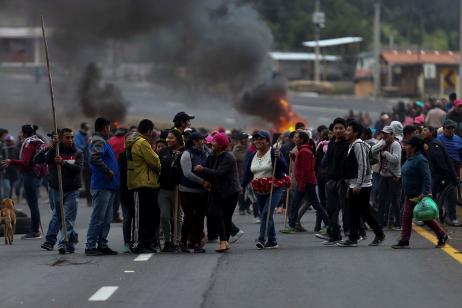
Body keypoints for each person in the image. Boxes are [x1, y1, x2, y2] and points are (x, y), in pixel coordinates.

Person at [392, 136, 448, 249]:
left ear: (414, 148)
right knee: (420, 216)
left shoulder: (421, 159)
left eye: (408, 145)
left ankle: (404, 240)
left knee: (413, 216)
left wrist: (424, 193)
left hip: (418, 194)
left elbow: (427, 178)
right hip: (410, 194)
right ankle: (441, 235)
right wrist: (399, 177)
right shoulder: (410, 158)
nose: (405, 147)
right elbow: (408, 172)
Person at [337, 121, 385, 247]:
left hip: (362, 185)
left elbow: (363, 166)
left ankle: (377, 234)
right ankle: (354, 237)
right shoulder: (351, 145)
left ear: (355, 133)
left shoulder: (358, 145)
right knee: (355, 211)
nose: (345, 133)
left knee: (363, 212)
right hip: (355, 184)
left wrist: (358, 185)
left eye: (348, 130)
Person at [194, 133, 241, 253]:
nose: (211, 143)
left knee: (226, 217)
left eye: (214, 141)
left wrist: (203, 169)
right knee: (214, 213)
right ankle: (224, 241)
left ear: (220, 144)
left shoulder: (228, 157)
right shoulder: (213, 155)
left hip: (230, 191)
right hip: (217, 190)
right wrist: (201, 170)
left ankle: (224, 242)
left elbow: (220, 173)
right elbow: (206, 167)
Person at [241, 130, 288, 249]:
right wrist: (241, 187)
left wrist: (280, 158)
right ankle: (272, 241)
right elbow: (247, 174)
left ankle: (261, 238)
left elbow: (285, 168)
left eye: (261, 139)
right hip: (259, 189)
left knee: (266, 213)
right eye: (256, 139)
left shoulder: (274, 153)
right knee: (265, 215)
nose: (258, 141)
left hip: (275, 187)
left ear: (268, 141)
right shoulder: (252, 155)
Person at [40, 128, 83, 254]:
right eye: (67, 137)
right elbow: (45, 160)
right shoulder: (55, 150)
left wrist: (63, 162)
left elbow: (78, 169)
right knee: (57, 216)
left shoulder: (78, 152)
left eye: (71, 137)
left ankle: (62, 243)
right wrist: (52, 147)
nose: (70, 140)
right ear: (61, 138)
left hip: (72, 190)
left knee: (68, 218)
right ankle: (70, 240)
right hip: (56, 189)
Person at [1, 124, 46, 239]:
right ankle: (35, 230)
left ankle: (35, 231)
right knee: (33, 203)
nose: (19, 134)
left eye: (21, 132)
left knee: (33, 204)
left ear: (25, 133)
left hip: (30, 175)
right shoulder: (37, 140)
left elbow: (25, 162)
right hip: (35, 175)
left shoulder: (28, 144)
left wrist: (11, 161)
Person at [125, 119, 161, 253]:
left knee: (147, 216)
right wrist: (159, 166)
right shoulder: (142, 142)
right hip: (142, 183)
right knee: (140, 216)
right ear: (149, 131)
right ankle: (138, 243)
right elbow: (155, 160)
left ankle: (145, 243)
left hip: (144, 182)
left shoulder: (134, 140)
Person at [85, 118, 119, 256]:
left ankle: (102, 244)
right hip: (102, 184)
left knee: (107, 217)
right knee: (98, 217)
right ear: (105, 127)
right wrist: (107, 170)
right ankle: (90, 246)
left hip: (109, 185)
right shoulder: (99, 141)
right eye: (108, 127)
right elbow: (94, 158)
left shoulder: (103, 141)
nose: (109, 130)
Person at [285, 131, 329, 233]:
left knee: (303, 204)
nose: (294, 139)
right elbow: (301, 165)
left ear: (302, 139)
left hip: (306, 182)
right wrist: (293, 157)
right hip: (306, 182)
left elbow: (306, 170)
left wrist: (302, 184)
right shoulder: (303, 150)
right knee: (311, 204)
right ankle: (292, 225)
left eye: (296, 137)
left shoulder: (304, 151)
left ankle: (291, 225)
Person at [318, 118, 350, 245]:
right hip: (330, 181)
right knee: (331, 209)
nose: (338, 130)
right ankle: (334, 234)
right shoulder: (330, 144)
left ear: (345, 129)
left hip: (343, 181)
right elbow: (325, 162)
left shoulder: (348, 144)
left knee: (345, 209)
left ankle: (348, 235)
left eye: (341, 128)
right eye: (336, 128)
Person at [422, 126, 461, 226]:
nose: (423, 131)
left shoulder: (434, 144)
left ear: (431, 132)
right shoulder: (431, 143)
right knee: (436, 197)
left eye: (425, 129)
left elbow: (441, 163)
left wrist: (446, 176)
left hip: (443, 176)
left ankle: (449, 218)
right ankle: (435, 219)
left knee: (443, 197)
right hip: (438, 175)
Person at [178, 132, 210, 253]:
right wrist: (202, 182)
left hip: (202, 191)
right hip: (187, 190)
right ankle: (183, 242)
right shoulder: (187, 154)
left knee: (200, 217)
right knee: (189, 217)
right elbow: (187, 173)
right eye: (201, 139)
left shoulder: (206, 152)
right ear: (194, 141)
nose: (203, 141)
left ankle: (196, 243)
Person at [158, 129, 184, 252]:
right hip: (163, 189)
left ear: (178, 139)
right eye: (168, 137)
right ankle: (167, 241)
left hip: (178, 189)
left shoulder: (184, 152)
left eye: (172, 138)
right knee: (164, 216)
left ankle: (177, 241)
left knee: (177, 217)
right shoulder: (162, 152)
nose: (168, 140)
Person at [371, 126, 402, 229]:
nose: (384, 136)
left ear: (392, 134)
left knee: (394, 201)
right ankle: (380, 222)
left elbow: (396, 160)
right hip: (383, 176)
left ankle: (398, 223)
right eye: (383, 134)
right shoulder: (382, 142)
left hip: (394, 176)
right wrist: (382, 144)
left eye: (387, 134)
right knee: (381, 200)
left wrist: (386, 153)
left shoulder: (396, 144)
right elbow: (372, 151)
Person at [108, 127, 127, 223]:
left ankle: (112, 214)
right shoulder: (124, 140)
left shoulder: (111, 140)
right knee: (118, 195)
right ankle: (115, 215)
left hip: (111, 169)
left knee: (113, 194)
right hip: (120, 171)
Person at [233, 132, 251, 215]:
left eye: (246, 138)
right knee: (241, 191)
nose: (246, 140)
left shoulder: (249, 147)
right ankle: (241, 207)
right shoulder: (237, 148)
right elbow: (235, 159)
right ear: (240, 139)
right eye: (244, 138)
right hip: (240, 172)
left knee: (250, 191)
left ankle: (247, 206)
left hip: (249, 172)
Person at [75, 122, 92, 207]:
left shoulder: (87, 136)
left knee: (91, 182)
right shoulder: (77, 136)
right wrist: (87, 143)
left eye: (87, 129)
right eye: (85, 129)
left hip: (89, 163)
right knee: (84, 183)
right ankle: (88, 200)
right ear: (81, 128)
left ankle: (91, 199)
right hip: (82, 163)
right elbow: (79, 149)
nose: (86, 131)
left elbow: (90, 149)